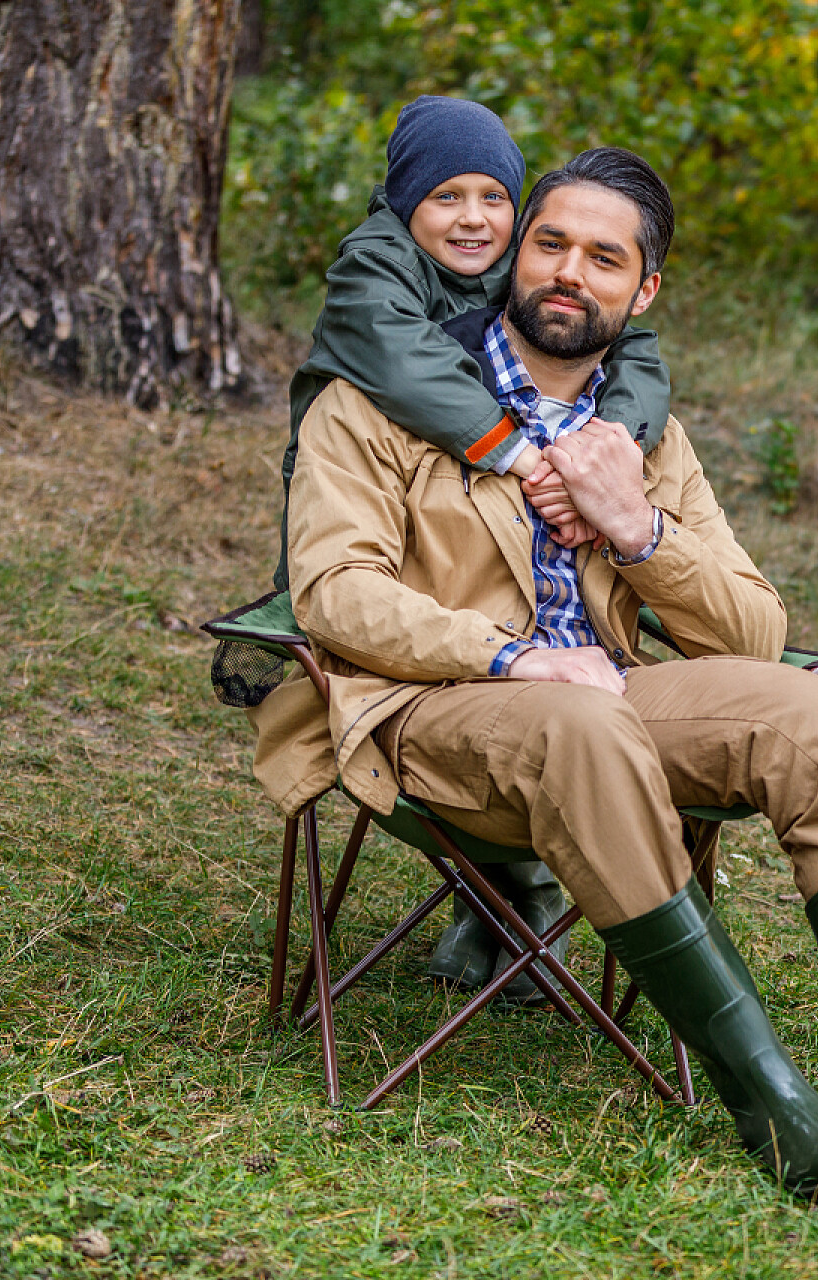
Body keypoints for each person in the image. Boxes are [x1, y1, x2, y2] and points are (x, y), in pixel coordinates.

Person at [248, 145, 818, 1197]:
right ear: (515, 257)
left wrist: (639, 527)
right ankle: (772, 1100)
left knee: (812, 711)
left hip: (607, 698)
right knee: (583, 729)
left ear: (643, 288)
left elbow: (754, 632)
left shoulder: (645, 433)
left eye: (605, 258)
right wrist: (512, 654)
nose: (571, 271)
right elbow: (336, 593)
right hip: (425, 709)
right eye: (552, 243)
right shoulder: (379, 399)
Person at [276, 95, 675, 1001]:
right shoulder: (375, 267)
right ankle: (514, 897)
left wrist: (605, 455)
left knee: (544, 686)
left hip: (506, 575)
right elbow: (395, 353)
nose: (472, 218)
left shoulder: (523, 274)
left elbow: (637, 358)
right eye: (445, 195)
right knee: (500, 688)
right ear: (403, 201)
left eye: (494, 196)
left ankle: (500, 904)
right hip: (374, 527)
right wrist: (522, 453)